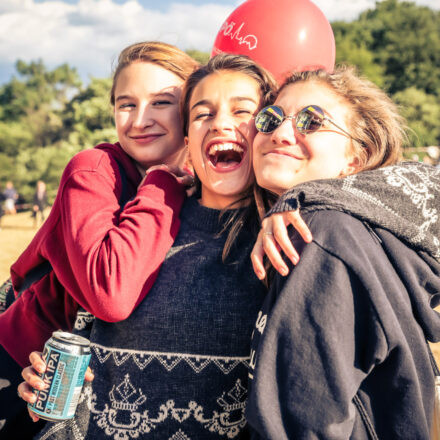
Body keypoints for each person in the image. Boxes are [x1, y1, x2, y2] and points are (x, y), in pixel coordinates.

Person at [19, 53, 278, 440]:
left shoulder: (288, 234)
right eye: (203, 113)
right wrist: (42, 379)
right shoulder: (138, 217)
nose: (221, 123)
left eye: (242, 111)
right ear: (188, 137)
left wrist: (298, 201)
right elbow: (94, 324)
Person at [0, 41, 198, 438]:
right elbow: (111, 294)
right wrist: (161, 181)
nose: (139, 120)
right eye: (126, 104)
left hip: (105, 387)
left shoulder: (203, 187)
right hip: (23, 371)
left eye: (161, 103)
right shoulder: (93, 171)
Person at [246, 66, 440, 438]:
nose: (281, 133)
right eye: (270, 119)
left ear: (356, 159)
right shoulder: (358, 233)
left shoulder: (323, 235)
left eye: (311, 121)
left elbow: (300, 424)